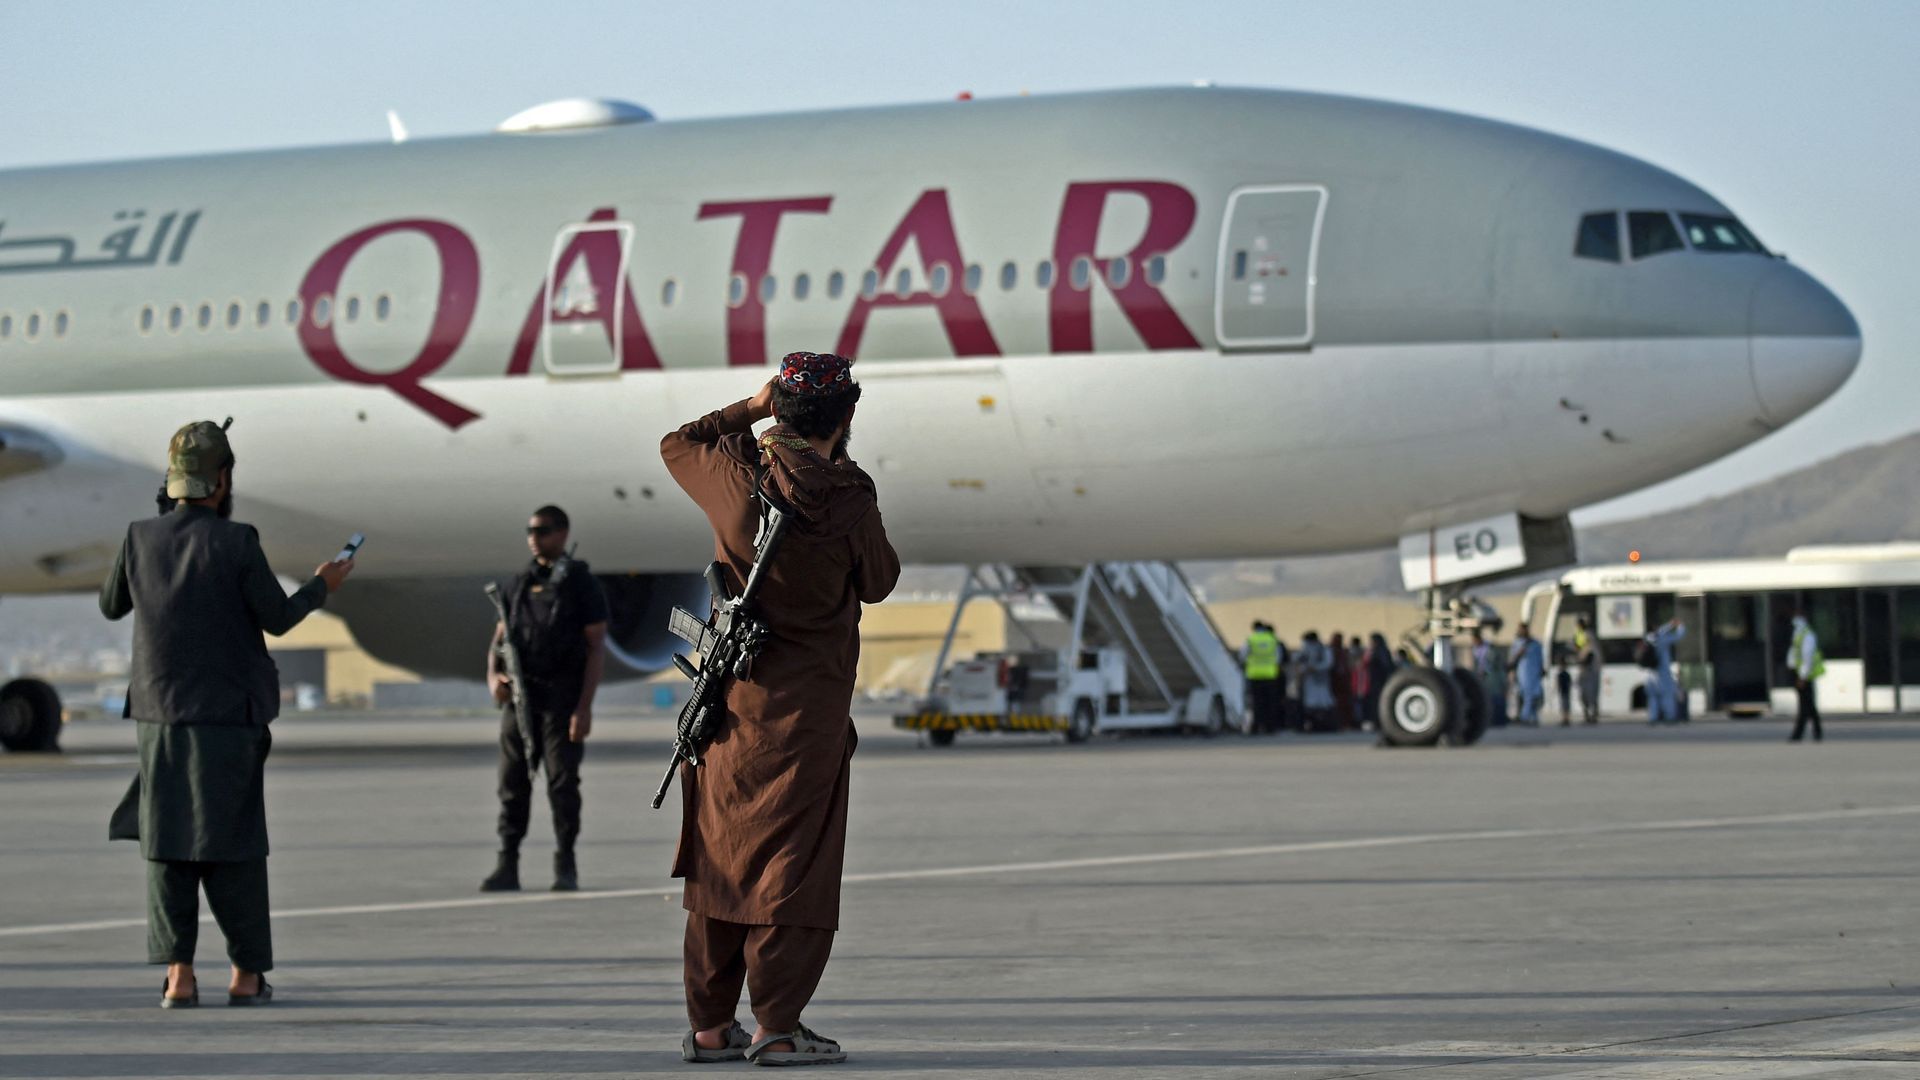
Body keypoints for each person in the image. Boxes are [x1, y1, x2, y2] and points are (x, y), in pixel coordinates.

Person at [661, 352, 899, 1066]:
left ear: (781, 409)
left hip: (731, 711)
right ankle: (777, 1026)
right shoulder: (851, 498)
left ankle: (709, 1027)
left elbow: (678, 444)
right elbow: (881, 582)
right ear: (847, 416)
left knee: (719, 865)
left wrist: (749, 408)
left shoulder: (738, 481)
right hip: (811, 720)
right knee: (794, 869)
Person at [102, 420, 354, 1008]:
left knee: (166, 842)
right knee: (235, 841)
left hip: (159, 716)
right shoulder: (237, 541)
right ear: (222, 481)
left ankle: (179, 977)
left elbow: (112, 604)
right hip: (228, 719)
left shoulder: (139, 537)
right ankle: (245, 976)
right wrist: (322, 585)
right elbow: (279, 617)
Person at [481, 505, 609, 893]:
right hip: (521, 699)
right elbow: (499, 640)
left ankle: (565, 862)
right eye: (531, 530)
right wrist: (493, 677)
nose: (536, 537)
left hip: (562, 699)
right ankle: (508, 862)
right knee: (512, 783)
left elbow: (596, 647)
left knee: (562, 783)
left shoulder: (581, 584)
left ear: (563, 532)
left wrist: (584, 707)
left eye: (545, 530)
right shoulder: (517, 584)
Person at [1784, 607, 1825, 742]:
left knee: (1804, 705)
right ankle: (1817, 732)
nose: (1794, 619)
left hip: (1804, 675)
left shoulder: (1807, 635)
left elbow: (1807, 657)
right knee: (1808, 705)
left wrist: (1802, 676)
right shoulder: (1798, 633)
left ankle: (1798, 734)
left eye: (1797, 616)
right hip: (1798, 673)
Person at [1240, 620, 1285, 735]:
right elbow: (1278, 657)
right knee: (1270, 702)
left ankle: (1256, 726)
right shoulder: (1272, 639)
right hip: (1270, 675)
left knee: (1256, 703)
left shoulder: (1251, 639)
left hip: (1254, 675)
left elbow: (1243, 655)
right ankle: (1271, 727)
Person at [1643, 617, 1687, 725]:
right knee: (1667, 695)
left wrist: (1669, 625)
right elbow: (1679, 636)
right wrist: (1679, 626)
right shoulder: (1663, 638)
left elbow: (1659, 631)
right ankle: (1670, 717)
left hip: (1650, 673)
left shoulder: (1648, 638)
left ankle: (1653, 718)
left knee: (1653, 697)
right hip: (1663, 671)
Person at [1508, 623, 1545, 727]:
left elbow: (1541, 658)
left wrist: (1542, 669)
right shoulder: (1517, 644)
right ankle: (1526, 716)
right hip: (1522, 674)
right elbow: (1512, 659)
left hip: (1534, 674)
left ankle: (1529, 717)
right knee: (1524, 695)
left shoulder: (1535, 644)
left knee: (1533, 695)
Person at [1471, 629, 1509, 728]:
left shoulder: (1490, 648)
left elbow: (1494, 663)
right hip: (1485, 678)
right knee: (1489, 699)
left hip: (1494, 677)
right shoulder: (1475, 649)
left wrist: (1485, 671)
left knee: (1497, 698)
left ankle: (1500, 721)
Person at [1296, 631, 1334, 731]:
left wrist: (1315, 668)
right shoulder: (1305, 649)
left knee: (1323, 703)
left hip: (1322, 681)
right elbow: (1299, 660)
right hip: (1310, 681)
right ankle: (1312, 725)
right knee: (1310, 704)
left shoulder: (1324, 649)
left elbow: (1328, 663)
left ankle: (1324, 725)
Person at [1362, 633, 1395, 731]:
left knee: (1377, 702)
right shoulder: (1383, 651)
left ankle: (1379, 723)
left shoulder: (1378, 652)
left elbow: (1385, 666)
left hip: (1378, 682)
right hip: (1378, 681)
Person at [1573, 615, 1601, 723]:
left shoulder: (1588, 635)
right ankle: (1587, 714)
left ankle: (1592, 714)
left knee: (1592, 693)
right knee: (1584, 693)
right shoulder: (1580, 635)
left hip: (1591, 668)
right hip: (1585, 668)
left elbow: (1589, 650)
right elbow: (1579, 648)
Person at [1329, 632, 1354, 732]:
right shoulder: (1332, 651)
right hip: (1335, 682)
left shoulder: (1343, 652)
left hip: (1342, 683)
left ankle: (1344, 723)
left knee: (1344, 704)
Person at [1554, 660, 1573, 726]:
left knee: (1565, 706)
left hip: (1565, 692)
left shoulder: (1565, 674)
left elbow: (1569, 683)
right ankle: (1564, 718)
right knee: (1564, 706)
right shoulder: (1562, 674)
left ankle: (1566, 719)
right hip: (1563, 692)